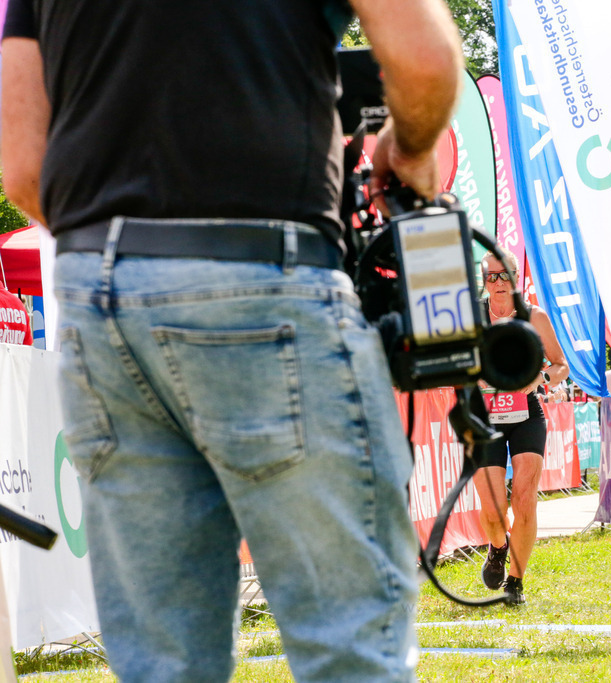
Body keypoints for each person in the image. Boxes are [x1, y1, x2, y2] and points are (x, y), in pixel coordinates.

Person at [2, 0, 462, 680]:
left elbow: (20, 162)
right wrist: (409, 147)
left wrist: (126, 256)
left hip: (99, 290)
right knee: (351, 646)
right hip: (264, 269)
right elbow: (422, 60)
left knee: (163, 661)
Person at [474, 249, 567, 605]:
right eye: (490, 276)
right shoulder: (472, 317)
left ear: (516, 276)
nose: (497, 283)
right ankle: (497, 546)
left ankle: (515, 582)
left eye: (503, 275)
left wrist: (539, 379)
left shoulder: (534, 316)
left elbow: (561, 366)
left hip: (526, 413)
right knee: (494, 511)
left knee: (525, 500)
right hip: (484, 418)